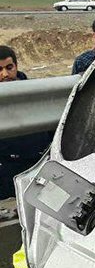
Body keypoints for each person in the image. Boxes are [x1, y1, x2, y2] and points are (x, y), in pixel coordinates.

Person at [1, 46, 53, 199]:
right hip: (6, 167)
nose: (5, 74)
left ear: (16, 66)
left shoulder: (33, 93)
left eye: (9, 67)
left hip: (38, 162)